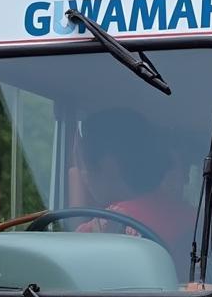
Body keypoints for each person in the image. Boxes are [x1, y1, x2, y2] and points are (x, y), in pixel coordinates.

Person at [73, 107, 197, 260]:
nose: (84, 177)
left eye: (85, 166)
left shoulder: (98, 230)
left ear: (109, 165)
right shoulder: (196, 220)